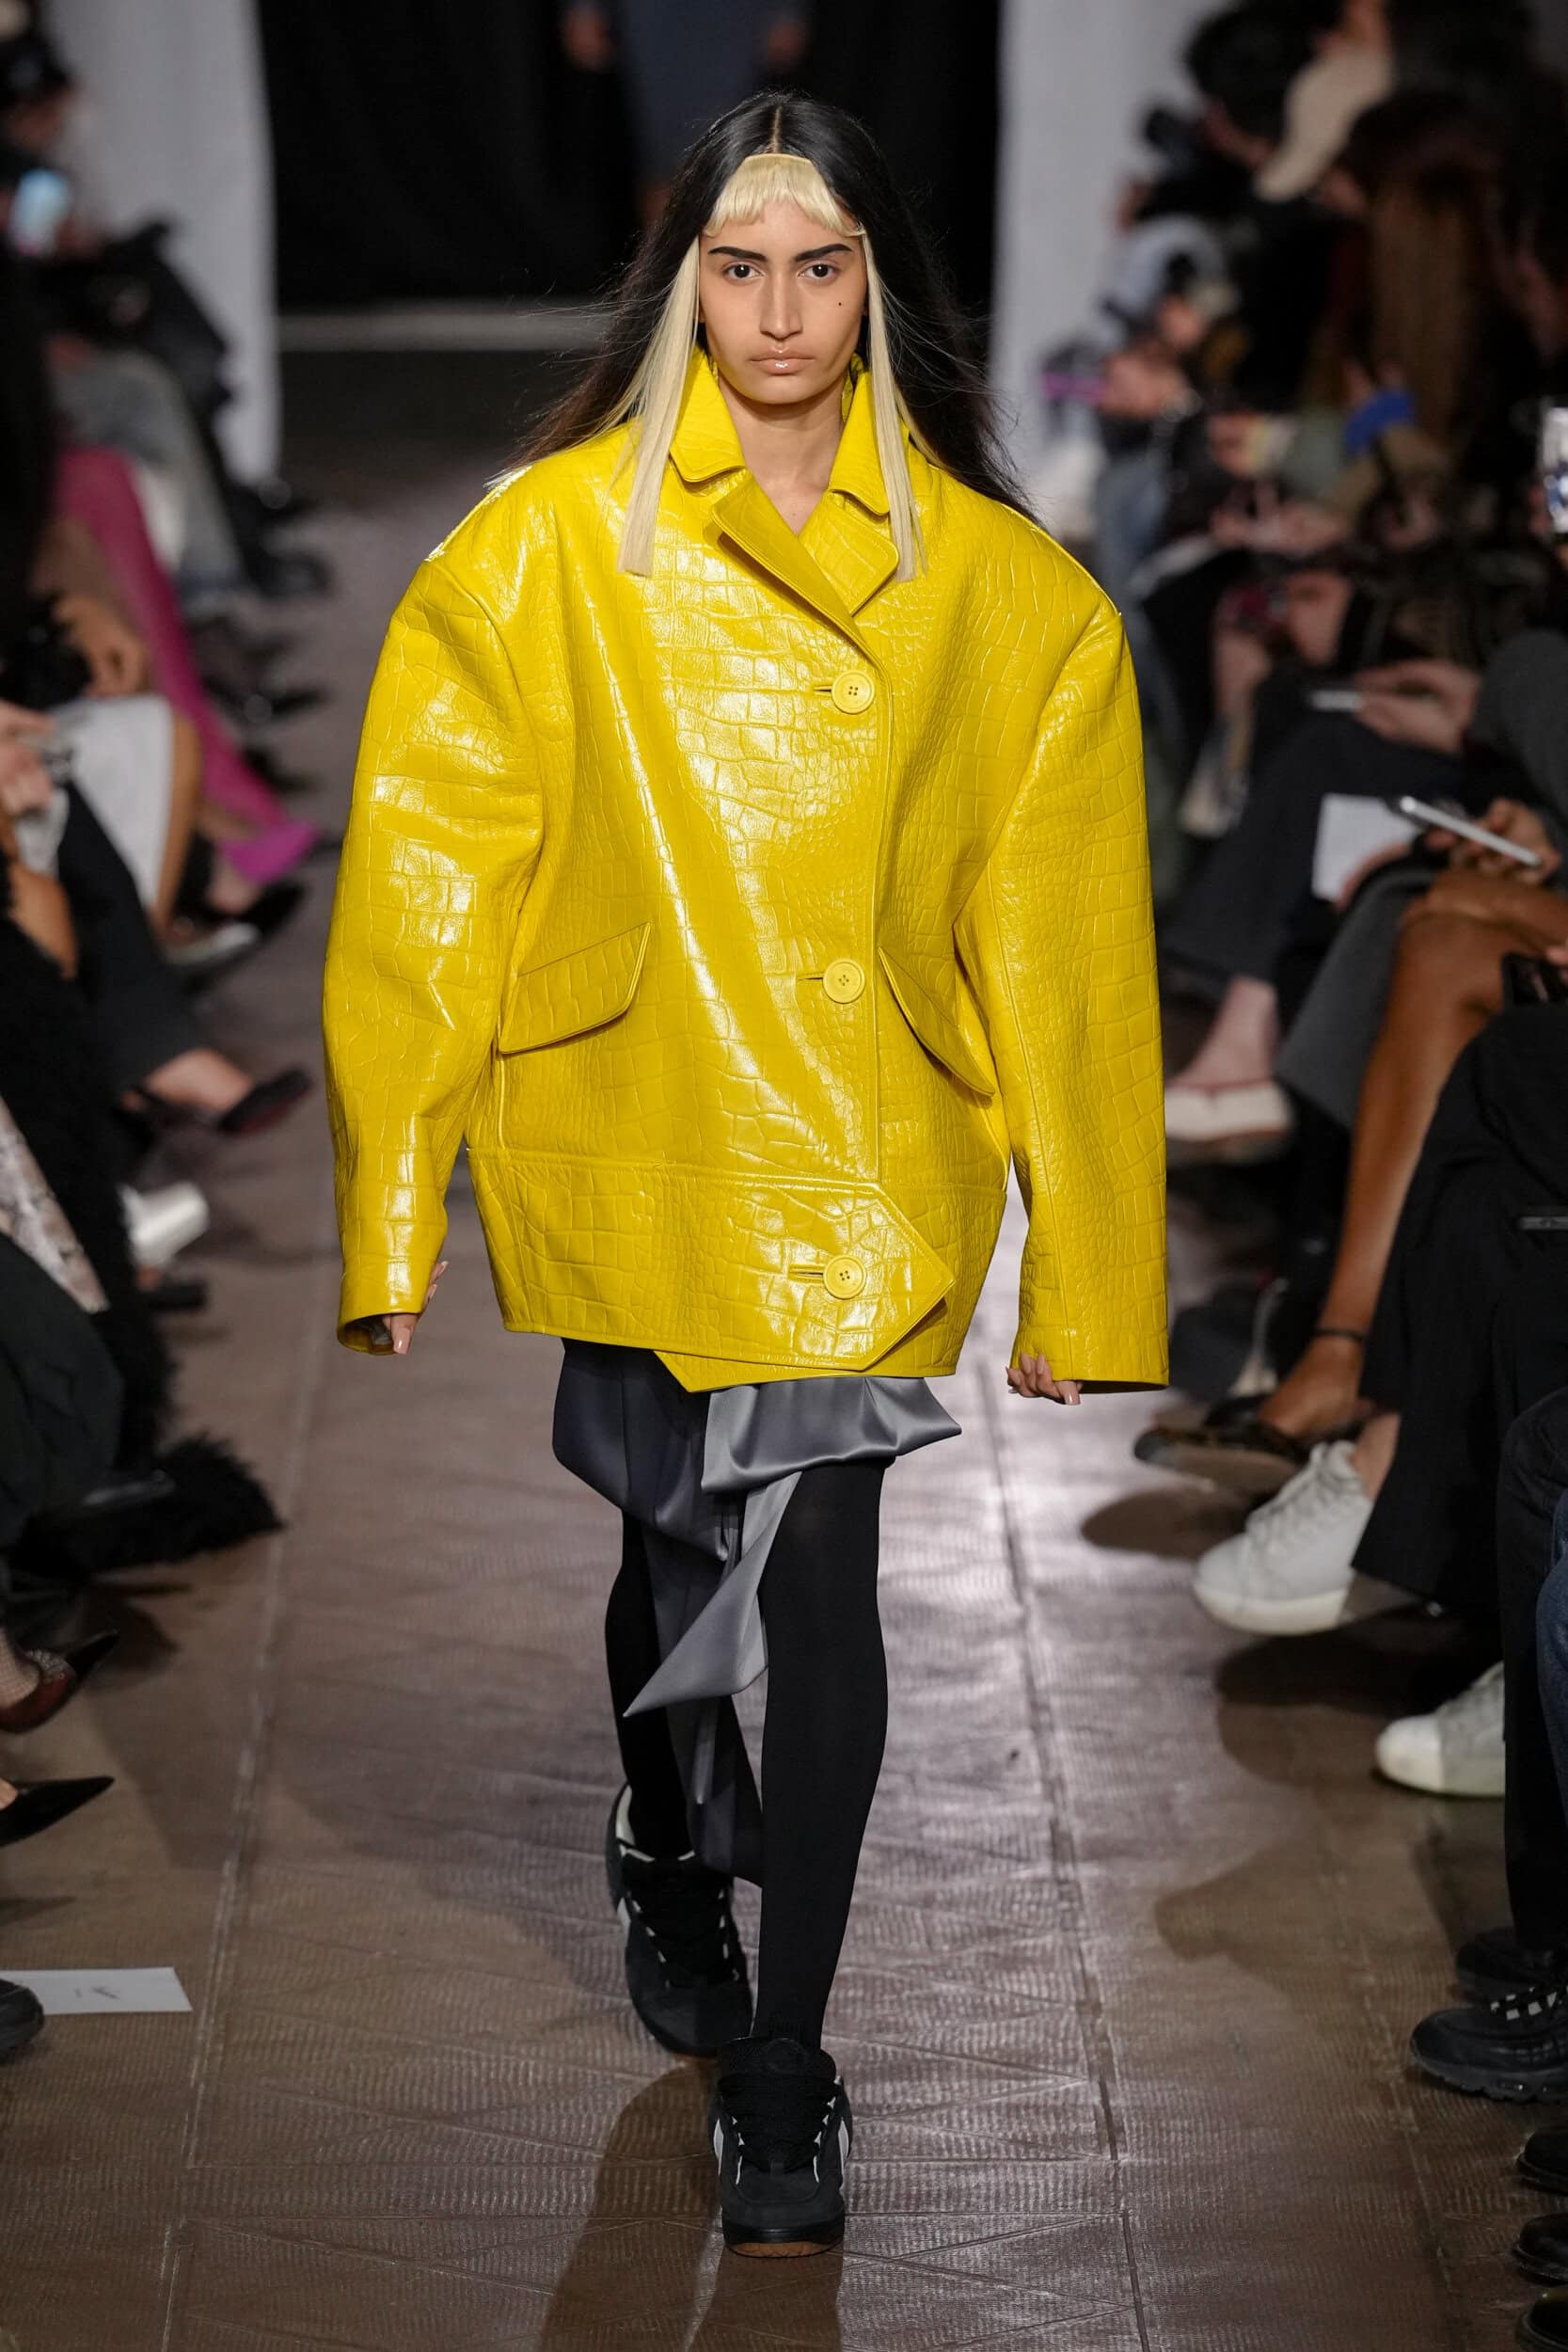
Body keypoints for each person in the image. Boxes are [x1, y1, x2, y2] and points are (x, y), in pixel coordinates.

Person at [324, 92, 1167, 2261]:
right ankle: (668, 1827)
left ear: (880, 285)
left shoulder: (1013, 598)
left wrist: (1093, 1277)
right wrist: (393, 1196)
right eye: (738, 267)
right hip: (625, 1115)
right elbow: (430, 878)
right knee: (662, 1531)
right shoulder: (544, 547)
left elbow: (1069, 959)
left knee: (822, 1578)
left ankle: (788, 2063)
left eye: (820, 267)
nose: (779, 312)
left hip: (870, 1147)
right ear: (679, 283)